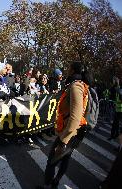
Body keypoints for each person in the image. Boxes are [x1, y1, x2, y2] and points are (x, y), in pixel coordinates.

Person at [37, 61, 92, 189]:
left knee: (52, 161)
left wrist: (63, 141)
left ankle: (48, 185)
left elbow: (75, 116)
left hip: (71, 132)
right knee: (65, 158)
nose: (66, 70)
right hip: (74, 131)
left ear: (72, 70)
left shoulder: (76, 87)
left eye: (69, 68)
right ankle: (56, 181)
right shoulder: (77, 85)